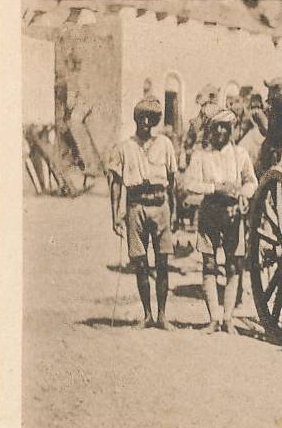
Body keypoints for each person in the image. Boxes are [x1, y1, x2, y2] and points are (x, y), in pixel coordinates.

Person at [184, 109, 258, 335]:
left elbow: (251, 182)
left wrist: (244, 194)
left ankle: (228, 318)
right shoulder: (200, 156)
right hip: (210, 212)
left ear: (231, 129)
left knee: (234, 265)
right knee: (209, 264)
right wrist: (215, 188)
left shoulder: (241, 154)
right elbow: (189, 184)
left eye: (225, 127)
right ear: (210, 129)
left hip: (233, 213)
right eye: (216, 126)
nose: (220, 131)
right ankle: (213, 318)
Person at [108, 95, 178, 330]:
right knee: (140, 263)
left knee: (162, 262)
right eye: (142, 117)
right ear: (136, 118)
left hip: (160, 206)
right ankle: (147, 314)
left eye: (151, 117)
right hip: (135, 206)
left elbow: (172, 180)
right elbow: (116, 183)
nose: (146, 121)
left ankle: (162, 315)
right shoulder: (124, 147)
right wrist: (115, 215)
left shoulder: (165, 144)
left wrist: (174, 212)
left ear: (157, 120)